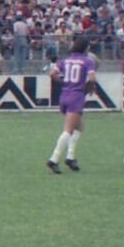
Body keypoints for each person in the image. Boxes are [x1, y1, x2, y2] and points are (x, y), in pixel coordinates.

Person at [46, 37, 97, 173]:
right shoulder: (87, 61)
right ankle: (53, 159)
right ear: (86, 48)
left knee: (79, 126)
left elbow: (52, 74)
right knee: (68, 130)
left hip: (64, 95)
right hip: (76, 96)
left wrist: (64, 83)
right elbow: (92, 78)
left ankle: (70, 157)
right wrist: (89, 86)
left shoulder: (65, 60)